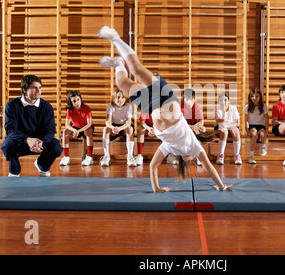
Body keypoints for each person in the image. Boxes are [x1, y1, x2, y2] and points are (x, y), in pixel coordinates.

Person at [96, 25, 231, 193]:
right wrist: (221, 185)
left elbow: (153, 166)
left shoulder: (169, 148)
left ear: (183, 161)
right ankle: (115, 37)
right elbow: (209, 167)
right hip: (166, 98)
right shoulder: (195, 146)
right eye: (193, 161)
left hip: (151, 106)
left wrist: (156, 188)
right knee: (137, 69)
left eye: (189, 162)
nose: (192, 161)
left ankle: (118, 63)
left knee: (122, 84)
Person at [1, 75, 63, 177]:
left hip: (39, 144)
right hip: (20, 141)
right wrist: (28, 140)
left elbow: (50, 130)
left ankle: (42, 166)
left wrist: (41, 141)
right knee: (7, 145)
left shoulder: (46, 107)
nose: (38, 90)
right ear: (25, 90)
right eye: (34, 88)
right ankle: (14, 171)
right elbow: (11, 129)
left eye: (40, 87)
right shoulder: (12, 105)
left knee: (56, 146)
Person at [100, 88, 136, 167]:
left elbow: (129, 122)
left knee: (130, 129)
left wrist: (120, 128)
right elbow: (107, 122)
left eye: (123, 97)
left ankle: (130, 156)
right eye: (118, 97)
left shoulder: (128, 106)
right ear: (114, 98)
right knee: (105, 129)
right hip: (115, 126)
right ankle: (106, 156)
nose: (120, 99)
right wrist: (113, 127)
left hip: (124, 127)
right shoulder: (111, 106)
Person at [59, 91, 94, 166]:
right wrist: (74, 130)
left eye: (78, 99)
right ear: (71, 102)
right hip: (76, 128)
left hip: (86, 127)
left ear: (81, 99)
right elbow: (67, 125)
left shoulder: (87, 108)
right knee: (65, 131)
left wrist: (79, 131)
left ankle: (89, 157)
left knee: (87, 131)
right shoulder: (70, 110)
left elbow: (89, 124)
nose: (77, 102)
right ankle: (66, 156)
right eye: (74, 101)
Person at [215, 92, 242, 165]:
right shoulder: (218, 109)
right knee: (224, 132)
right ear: (218, 101)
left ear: (229, 101)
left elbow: (238, 123)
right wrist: (224, 110)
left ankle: (237, 155)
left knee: (236, 131)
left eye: (225, 100)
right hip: (220, 126)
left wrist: (229, 126)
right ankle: (220, 155)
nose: (223, 102)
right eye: (221, 100)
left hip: (231, 126)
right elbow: (222, 122)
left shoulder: (233, 108)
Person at [244, 88, 269, 164]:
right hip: (252, 125)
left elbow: (266, 119)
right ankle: (251, 155)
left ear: (260, 97)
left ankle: (264, 147)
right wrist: (247, 129)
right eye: (252, 96)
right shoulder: (248, 107)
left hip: (260, 125)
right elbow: (246, 120)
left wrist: (266, 130)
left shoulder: (264, 107)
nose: (254, 98)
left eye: (256, 96)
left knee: (262, 134)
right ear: (250, 97)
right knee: (254, 134)